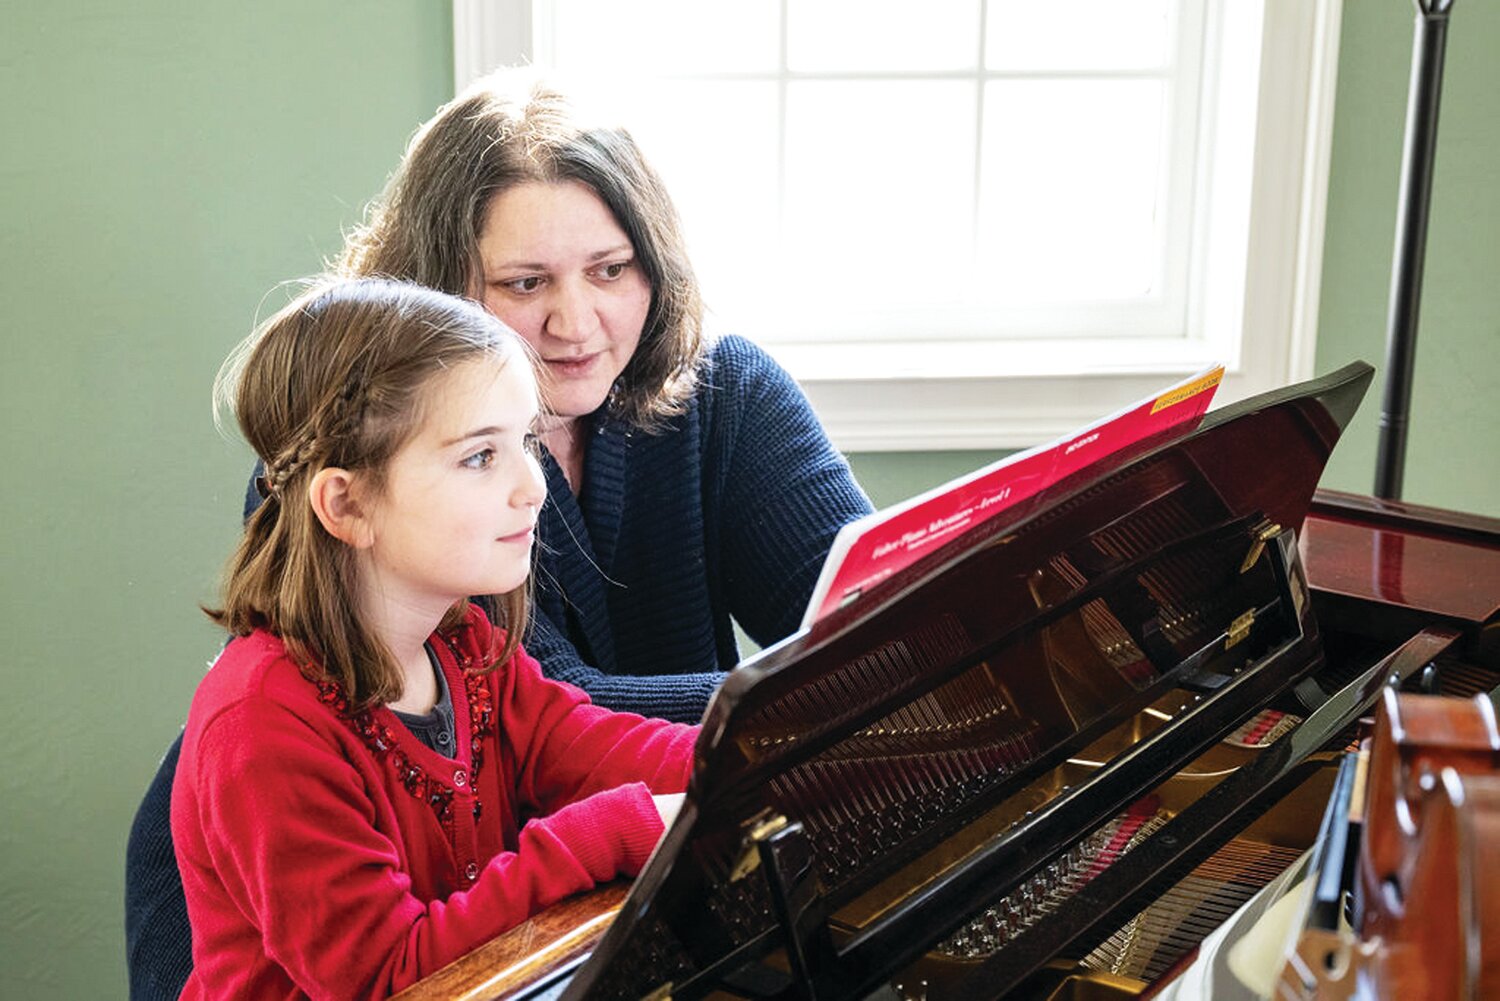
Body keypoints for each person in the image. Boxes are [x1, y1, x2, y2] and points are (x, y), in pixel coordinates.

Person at [126, 69, 872, 998]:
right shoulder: (343, 489)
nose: (577, 320)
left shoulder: (467, 643)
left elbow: (584, 728)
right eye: (525, 282)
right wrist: (791, 722)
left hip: (501, 940)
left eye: (610, 269)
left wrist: (780, 758)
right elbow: (385, 967)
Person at [170, 278, 696, 999]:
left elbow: (599, 747)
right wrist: (602, 832)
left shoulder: (464, 647)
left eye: (526, 443)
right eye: (481, 456)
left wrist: (770, 746)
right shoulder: (260, 723)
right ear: (346, 503)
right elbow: (389, 977)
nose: (532, 488)